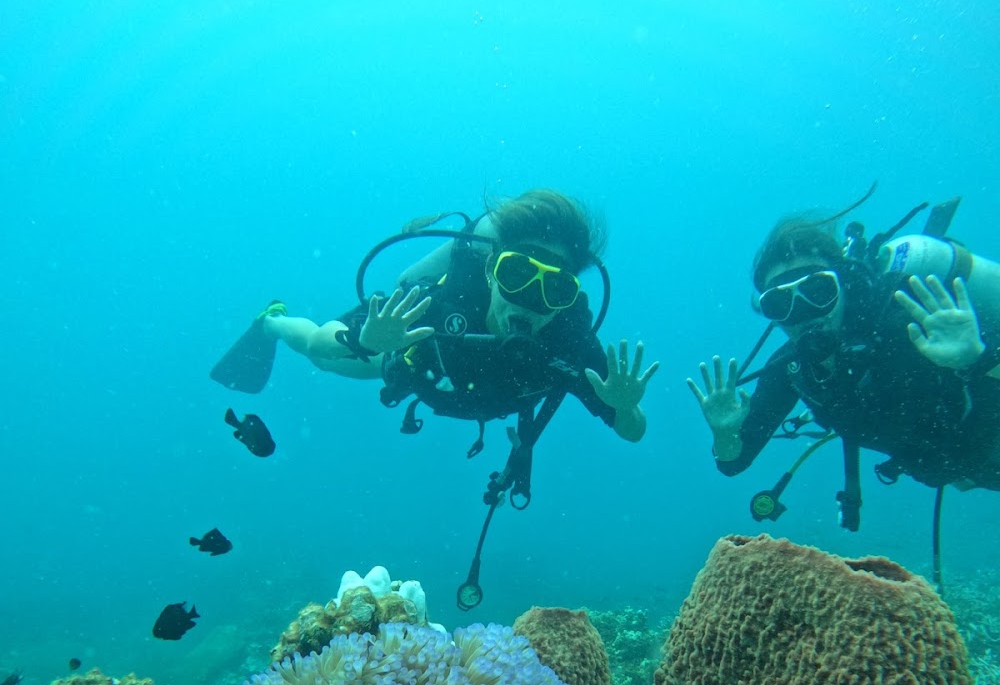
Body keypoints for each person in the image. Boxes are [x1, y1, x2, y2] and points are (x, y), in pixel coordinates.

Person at [228, 188, 658, 446]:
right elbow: (326, 338)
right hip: (415, 363)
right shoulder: (443, 300)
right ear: (490, 270)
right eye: (516, 275)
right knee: (320, 355)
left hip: (475, 391)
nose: (530, 301)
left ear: (569, 296)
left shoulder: (570, 336)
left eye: (555, 289)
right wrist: (368, 341)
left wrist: (624, 407)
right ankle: (272, 321)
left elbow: (632, 431)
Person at [687, 211, 1000, 500]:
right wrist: (724, 433)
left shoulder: (905, 317)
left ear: (844, 285)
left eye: (818, 291)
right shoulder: (792, 368)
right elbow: (734, 462)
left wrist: (976, 360)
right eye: (781, 304)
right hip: (965, 468)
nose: (804, 312)